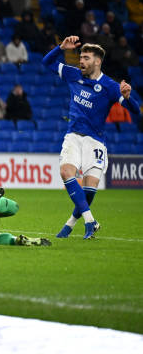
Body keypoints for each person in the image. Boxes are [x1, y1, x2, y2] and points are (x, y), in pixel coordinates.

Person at [42, 36, 140, 239]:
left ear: (97, 61)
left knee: (88, 191)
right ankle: (90, 222)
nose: (81, 61)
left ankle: (69, 225)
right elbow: (47, 63)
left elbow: (136, 111)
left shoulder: (110, 86)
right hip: (73, 137)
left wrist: (128, 98)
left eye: (86, 58)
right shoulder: (73, 74)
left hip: (95, 142)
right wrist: (61, 48)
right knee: (65, 171)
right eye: (80, 57)